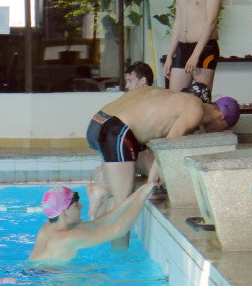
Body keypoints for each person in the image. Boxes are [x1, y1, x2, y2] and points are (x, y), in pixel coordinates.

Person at [86, 87, 240, 223]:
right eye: (224, 127)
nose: (221, 131)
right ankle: (105, 193)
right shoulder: (195, 111)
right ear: (221, 117)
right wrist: (151, 183)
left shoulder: (182, 101)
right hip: (118, 131)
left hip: (106, 124)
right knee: (123, 205)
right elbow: (164, 150)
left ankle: (103, 192)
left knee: (135, 188)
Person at [28, 183, 153, 262]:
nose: (81, 206)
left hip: (36, 274)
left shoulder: (49, 226)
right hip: (53, 282)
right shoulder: (68, 238)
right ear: (64, 213)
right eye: (76, 205)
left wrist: (132, 199)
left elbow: (97, 224)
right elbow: (119, 230)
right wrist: (142, 196)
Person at [163, 0, 222, 93]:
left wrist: (196, 54)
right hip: (183, 48)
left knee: (200, 99)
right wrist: (169, 56)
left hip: (204, 48)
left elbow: (211, 21)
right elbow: (178, 21)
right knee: (175, 99)